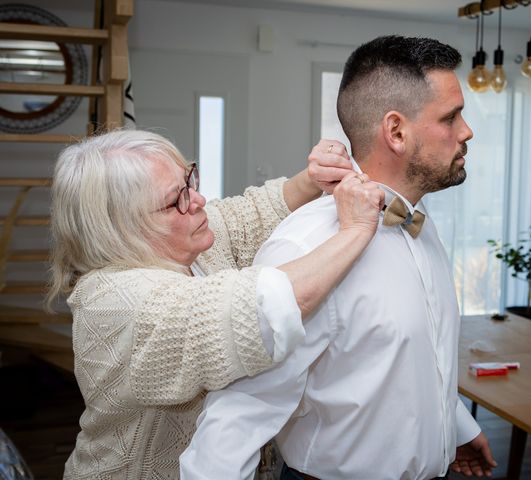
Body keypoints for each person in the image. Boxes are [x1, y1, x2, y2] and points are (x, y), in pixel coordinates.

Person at [180, 36, 498, 479]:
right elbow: (245, 406)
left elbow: (412, 354)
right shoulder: (305, 246)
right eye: (451, 117)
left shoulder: (420, 224)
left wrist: (455, 426)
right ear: (396, 132)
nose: (467, 131)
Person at [47, 129, 384, 480]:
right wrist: (357, 229)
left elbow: (248, 214)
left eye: (188, 180)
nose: (199, 199)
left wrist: (314, 178)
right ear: (122, 229)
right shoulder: (114, 302)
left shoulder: (187, 243)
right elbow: (262, 308)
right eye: (175, 198)